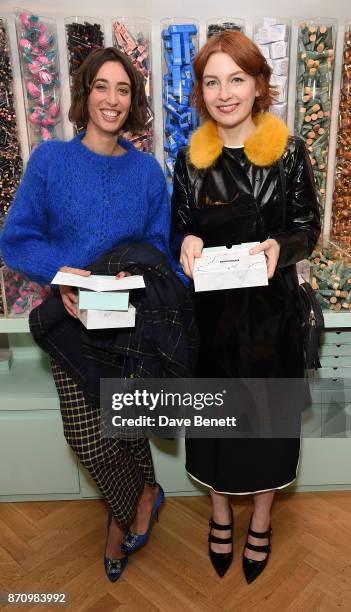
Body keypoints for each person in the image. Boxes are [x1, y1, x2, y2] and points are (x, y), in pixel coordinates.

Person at [0, 47, 182, 582]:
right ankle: (137, 501)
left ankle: (134, 503)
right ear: (85, 94)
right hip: (68, 318)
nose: (112, 99)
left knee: (126, 427)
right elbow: (15, 239)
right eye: (102, 87)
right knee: (87, 438)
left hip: (128, 320)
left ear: (134, 100)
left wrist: (188, 274)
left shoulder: (148, 173)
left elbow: (157, 247)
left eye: (123, 89)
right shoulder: (51, 161)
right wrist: (66, 276)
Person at [171, 30, 320, 583]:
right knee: (214, 431)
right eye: (212, 81)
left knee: (267, 432)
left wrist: (283, 245)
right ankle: (219, 515)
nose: (224, 92)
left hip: (272, 319)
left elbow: (309, 228)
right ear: (201, 92)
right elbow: (179, 228)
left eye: (236, 78)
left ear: (259, 84)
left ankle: (259, 521)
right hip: (212, 323)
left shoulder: (289, 152)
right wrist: (183, 241)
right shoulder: (191, 158)